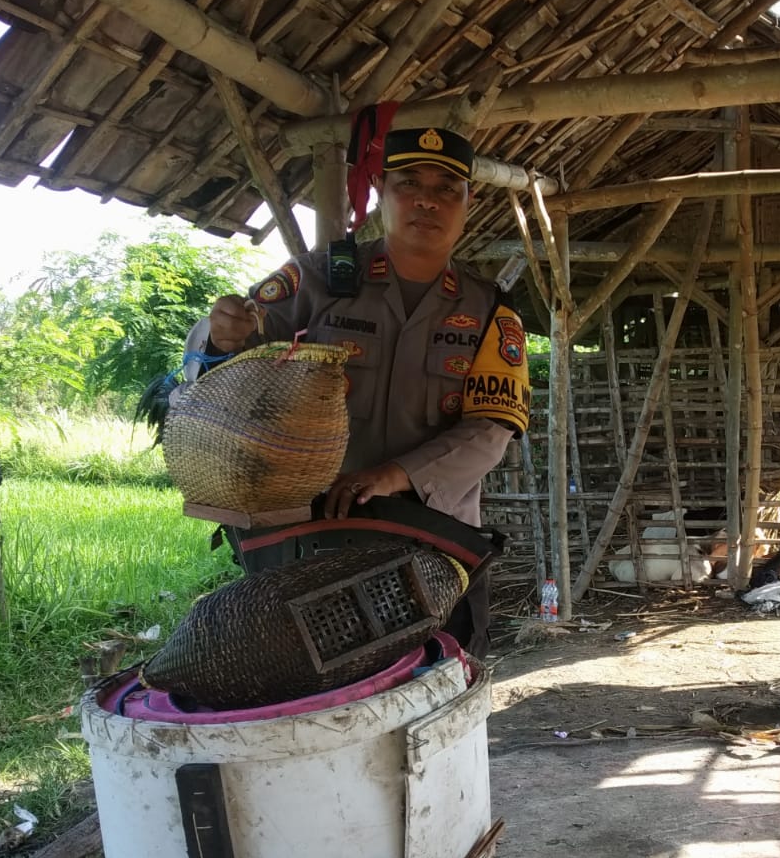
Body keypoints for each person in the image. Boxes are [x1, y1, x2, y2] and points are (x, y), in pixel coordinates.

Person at [190, 126, 530, 654]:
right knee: (308, 686)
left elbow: (491, 428)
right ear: (379, 193)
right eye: (408, 183)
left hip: (433, 542)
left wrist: (397, 475)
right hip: (312, 536)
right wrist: (222, 334)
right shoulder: (320, 279)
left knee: (440, 685)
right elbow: (221, 365)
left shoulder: (489, 309)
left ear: (468, 202)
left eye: (447, 189)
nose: (426, 200)